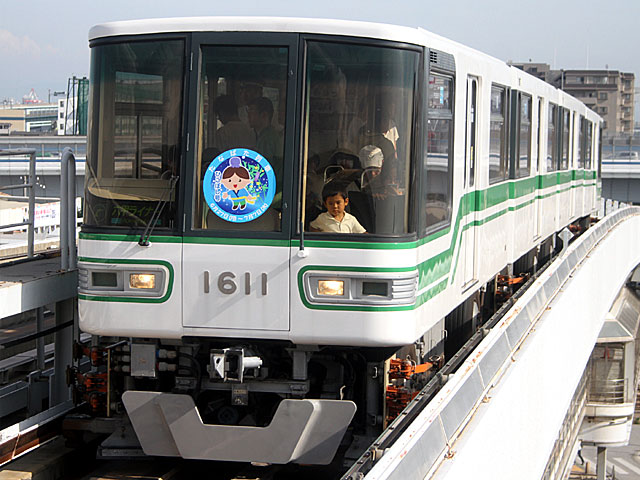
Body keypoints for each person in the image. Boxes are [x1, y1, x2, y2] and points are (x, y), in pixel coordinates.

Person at [247, 96, 283, 161]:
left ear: (264, 115)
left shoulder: (267, 139)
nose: (248, 115)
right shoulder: (265, 135)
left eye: (252, 111)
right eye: (248, 111)